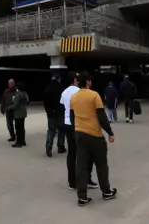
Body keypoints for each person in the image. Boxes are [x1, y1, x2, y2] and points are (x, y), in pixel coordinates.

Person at [70, 73, 118, 206]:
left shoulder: (73, 98)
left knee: (81, 166)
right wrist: (110, 132)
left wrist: (77, 131)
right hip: (95, 136)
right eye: (90, 81)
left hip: (80, 135)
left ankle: (82, 197)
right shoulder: (94, 95)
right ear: (87, 82)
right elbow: (102, 116)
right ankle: (106, 191)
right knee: (101, 164)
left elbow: (73, 117)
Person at [60, 73, 97, 191]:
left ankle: (72, 182)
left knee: (72, 153)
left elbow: (63, 107)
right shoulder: (80, 92)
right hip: (79, 124)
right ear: (76, 80)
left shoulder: (64, 92)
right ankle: (87, 179)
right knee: (86, 153)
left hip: (67, 123)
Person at [43, 76, 66, 157]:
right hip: (60, 113)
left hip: (51, 113)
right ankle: (60, 147)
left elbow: (45, 102)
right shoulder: (61, 89)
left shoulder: (47, 89)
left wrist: (48, 111)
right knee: (62, 130)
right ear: (58, 80)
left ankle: (48, 146)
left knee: (51, 130)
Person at [8, 81, 29, 148]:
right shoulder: (25, 94)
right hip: (23, 113)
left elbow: (15, 105)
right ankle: (23, 141)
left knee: (18, 128)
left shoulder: (18, 95)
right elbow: (27, 101)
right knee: (22, 128)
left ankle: (18, 142)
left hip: (18, 114)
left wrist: (9, 107)